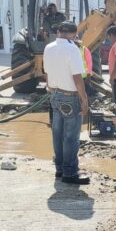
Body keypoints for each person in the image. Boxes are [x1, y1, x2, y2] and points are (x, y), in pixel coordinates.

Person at [44, 21, 90, 185]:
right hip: (69, 97)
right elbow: (77, 77)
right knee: (71, 136)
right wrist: (84, 100)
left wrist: (52, 90)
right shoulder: (72, 49)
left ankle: (60, 169)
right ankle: (69, 173)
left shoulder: (48, 48)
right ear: (72, 34)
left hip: (54, 94)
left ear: (58, 32)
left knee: (57, 134)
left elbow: (47, 74)